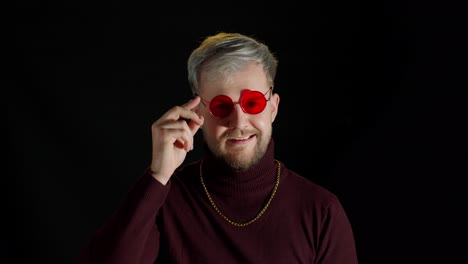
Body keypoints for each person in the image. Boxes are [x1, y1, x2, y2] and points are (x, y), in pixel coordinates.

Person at [76, 32, 358, 264]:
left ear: (272, 108)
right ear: (198, 112)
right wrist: (157, 176)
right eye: (221, 106)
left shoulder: (321, 211)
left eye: (253, 103)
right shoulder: (163, 200)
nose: (239, 121)